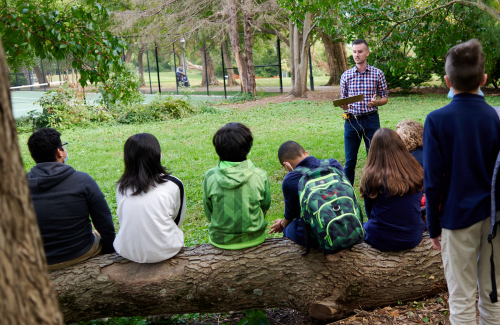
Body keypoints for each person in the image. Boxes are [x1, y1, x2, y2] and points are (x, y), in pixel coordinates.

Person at [424, 39, 500, 324]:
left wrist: (432, 227)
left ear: (447, 81)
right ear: (484, 79)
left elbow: (432, 181)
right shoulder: (496, 119)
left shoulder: (436, 120)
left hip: (456, 219)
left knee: (461, 299)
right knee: (493, 296)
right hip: (495, 219)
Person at [26, 128, 115, 270]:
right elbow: (104, 223)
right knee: (95, 232)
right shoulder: (82, 180)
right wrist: (111, 251)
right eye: (63, 146)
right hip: (80, 253)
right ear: (59, 152)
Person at [113, 133, 185, 263]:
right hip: (166, 250)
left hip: (127, 251)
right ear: (157, 154)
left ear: (127, 158)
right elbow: (177, 219)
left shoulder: (121, 186)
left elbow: (124, 219)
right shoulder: (174, 184)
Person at [203, 122, 271, 250]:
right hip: (254, 237)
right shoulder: (260, 175)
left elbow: (209, 209)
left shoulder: (210, 176)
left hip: (220, 240)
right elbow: (265, 205)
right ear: (249, 146)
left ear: (217, 148)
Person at [360, 128, 425, 251]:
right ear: (400, 145)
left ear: (374, 149)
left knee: (362, 226)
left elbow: (369, 212)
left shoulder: (371, 176)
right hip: (413, 236)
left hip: (382, 239)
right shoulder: (415, 169)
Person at [269, 141, 343, 247]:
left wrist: (282, 225)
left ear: (286, 165)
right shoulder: (333, 164)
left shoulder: (291, 180)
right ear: (306, 153)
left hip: (316, 232)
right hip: (343, 221)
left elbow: (291, 213)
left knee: (289, 228)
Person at [340, 39, 389, 186]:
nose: (356, 55)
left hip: (371, 120)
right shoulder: (346, 76)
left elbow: (385, 98)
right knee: (349, 162)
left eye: (360, 52)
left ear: (367, 53)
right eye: (354, 52)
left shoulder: (377, 74)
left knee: (375, 159)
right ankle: (347, 195)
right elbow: (344, 102)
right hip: (351, 121)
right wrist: (343, 106)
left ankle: (375, 191)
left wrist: (377, 102)